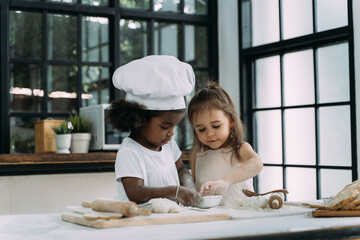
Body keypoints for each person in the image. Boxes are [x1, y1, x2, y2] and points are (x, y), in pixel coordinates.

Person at [106, 55, 202, 207]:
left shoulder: (168, 145)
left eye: (175, 126)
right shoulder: (130, 151)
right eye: (165, 126)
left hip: (166, 220)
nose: (171, 133)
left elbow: (182, 170)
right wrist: (175, 191)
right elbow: (135, 193)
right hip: (138, 223)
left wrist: (190, 188)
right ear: (138, 120)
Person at [187, 82, 263, 206]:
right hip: (211, 218)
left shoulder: (239, 148)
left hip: (241, 217)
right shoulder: (198, 154)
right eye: (201, 129)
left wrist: (225, 182)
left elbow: (257, 164)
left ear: (231, 121)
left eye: (216, 126)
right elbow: (195, 188)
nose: (210, 133)